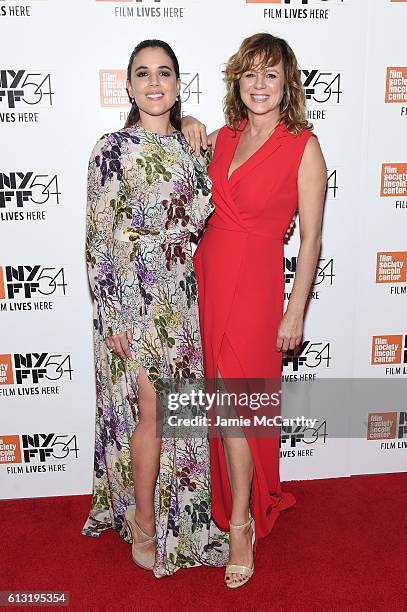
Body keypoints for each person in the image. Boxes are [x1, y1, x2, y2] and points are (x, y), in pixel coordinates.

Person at [182, 33, 327, 588]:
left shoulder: (303, 145)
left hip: (258, 285)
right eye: (249, 75)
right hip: (208, 276)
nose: (259, 85)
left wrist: (296, 312)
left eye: (271, 75)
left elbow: (311, 239)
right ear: (236, 82)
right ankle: (235, 505)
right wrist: (189, 120)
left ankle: (239, 524)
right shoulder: (222, 136)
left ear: (287, 83)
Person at [82, 39, 229, 578]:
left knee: (181, 414)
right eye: (142, 73)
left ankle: (181, 520)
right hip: (133, 296)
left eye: (163, 73)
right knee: (152, 410)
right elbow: (98, 238)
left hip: (182, 295)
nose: (153, 82)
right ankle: (144, 520)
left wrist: (197, 128)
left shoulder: (196, 147)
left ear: (177, 84)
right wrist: (112, 314)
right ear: (128, 85)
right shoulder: (110, 149)